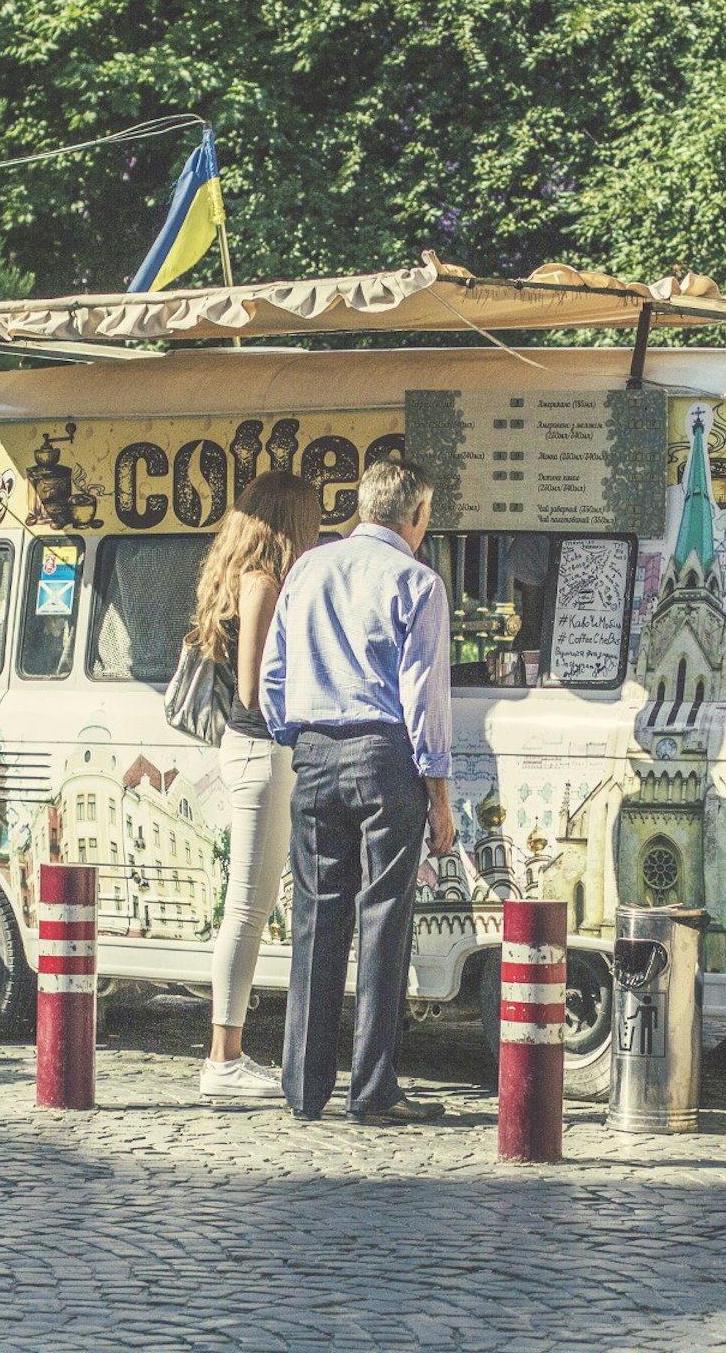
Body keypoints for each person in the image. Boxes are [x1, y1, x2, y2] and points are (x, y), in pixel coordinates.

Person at [261, 459, 456, 1124]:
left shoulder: (309, 567)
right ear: (417, 516)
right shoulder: (418, 582)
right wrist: (439, 793)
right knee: (383, 924)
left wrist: (299, 735)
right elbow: (424, 696)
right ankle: (371, 1088)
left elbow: (274, 672)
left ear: (363, 507)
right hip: (383, 758)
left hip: (314, 754)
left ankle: (303, 1089)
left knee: (316, 925)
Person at [185, 472, 323, 1099]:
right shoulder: (263, 583)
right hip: (262, 751)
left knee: (249, 906)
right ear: (286, 520)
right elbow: (252, 691)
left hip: (252, 753)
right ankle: (223, 1058)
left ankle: (228, 1053)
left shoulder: (250, 578)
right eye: (310, 516)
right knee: (246, 908)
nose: (316, 527)